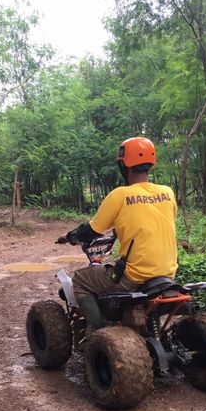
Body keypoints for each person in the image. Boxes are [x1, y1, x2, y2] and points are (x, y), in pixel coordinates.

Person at [58, 136, 178, 330]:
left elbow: (91, 231)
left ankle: (97, 330)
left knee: (80, 279)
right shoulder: (168, 193)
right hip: (168, 273)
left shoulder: (119, 195)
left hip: (134, 276)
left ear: (124, 165)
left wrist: (71, 237)